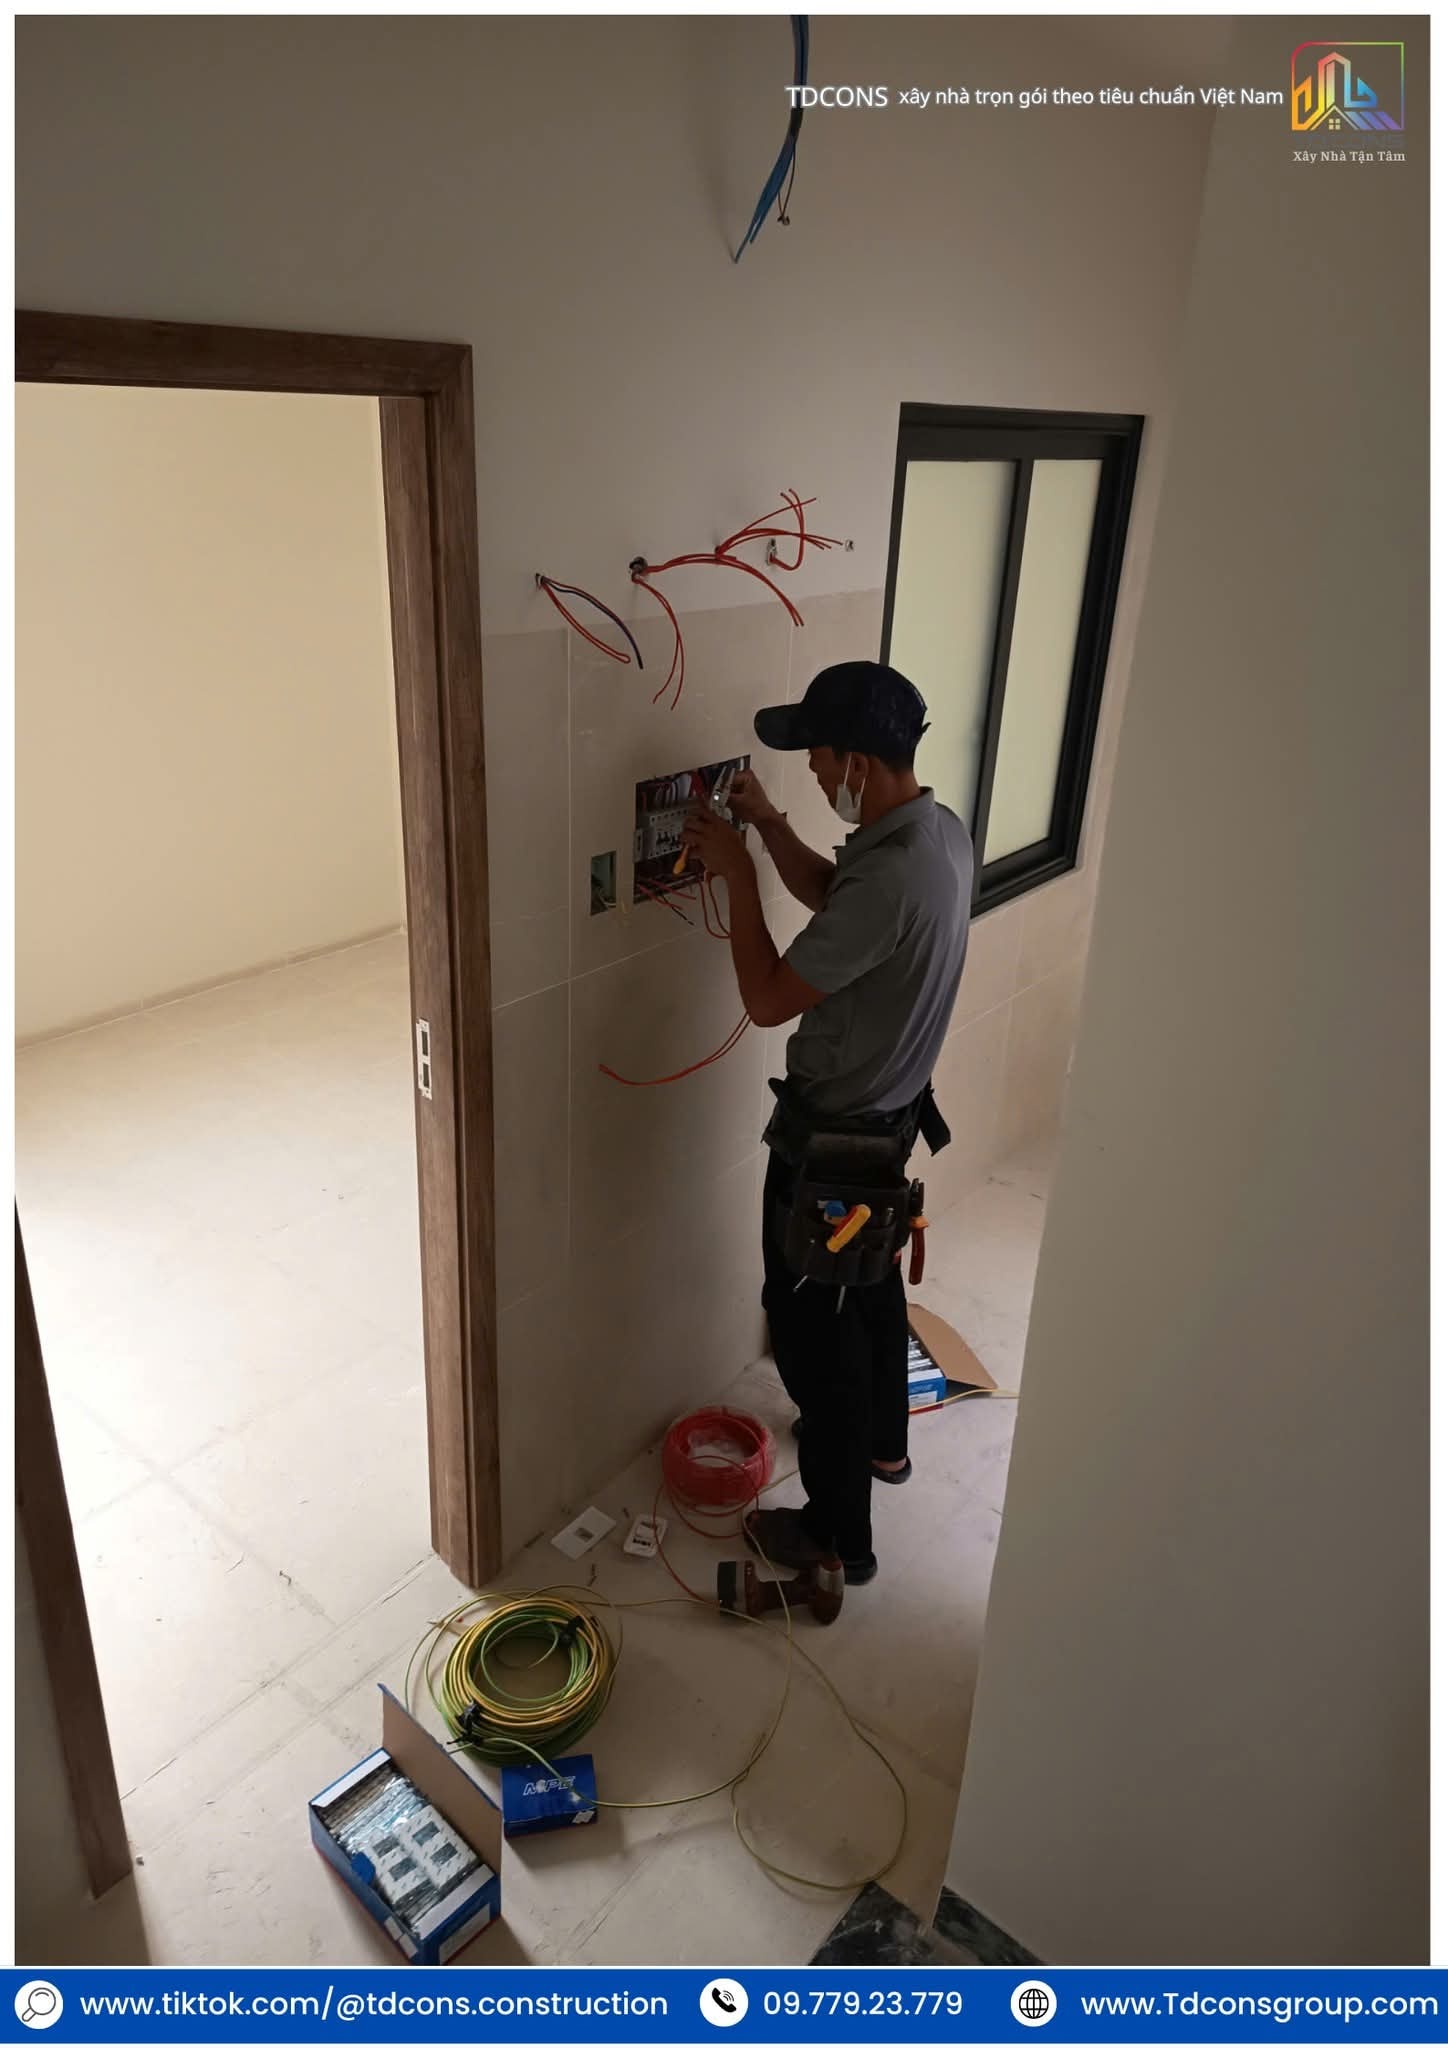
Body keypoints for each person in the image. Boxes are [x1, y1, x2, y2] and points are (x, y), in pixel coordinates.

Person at [684, 660, 973, 1584]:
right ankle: (885, 1448)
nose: (811, 771)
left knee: (815, 1336)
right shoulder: (933, 836)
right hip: (886, 1129)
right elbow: (840, 903)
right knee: (873, 1295)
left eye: (817, 757)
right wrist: (769, 827)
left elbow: (769, 1000)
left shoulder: (893, 875)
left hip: (834, 1150)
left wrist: (737, 875)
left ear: (857, 761)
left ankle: (840, 1537)